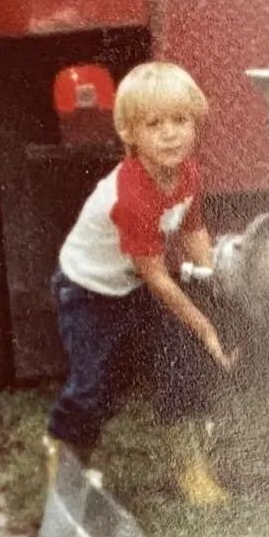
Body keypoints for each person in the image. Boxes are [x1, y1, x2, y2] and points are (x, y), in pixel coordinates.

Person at [44, 61, 238, 506]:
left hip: (134, 284)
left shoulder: (187, 172)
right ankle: (66, 464)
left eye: (180, 121)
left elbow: (192, 229)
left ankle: (189, 467)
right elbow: (155, 275)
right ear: (130, 134)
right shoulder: (131, 197)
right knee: (94, 387)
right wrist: (206, 326)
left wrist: (210, 284)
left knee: (181, 364)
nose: (171, 134)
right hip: (89, 291)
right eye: (155, 125)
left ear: (195, 123)